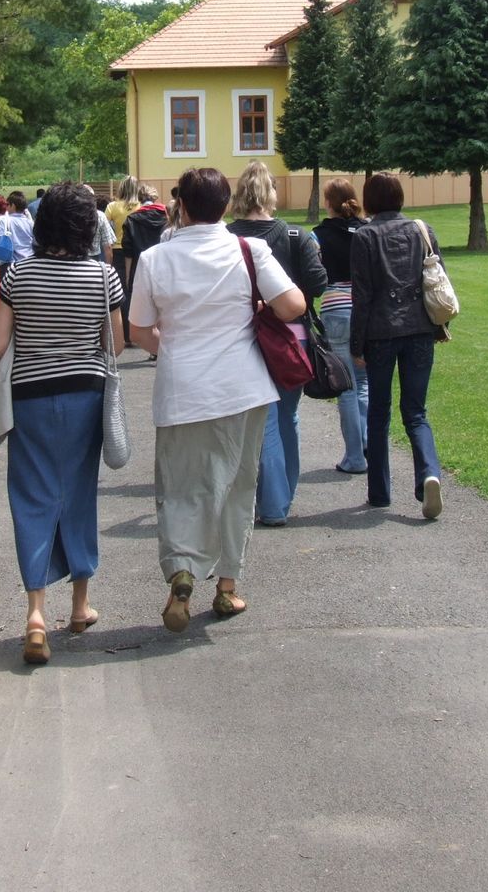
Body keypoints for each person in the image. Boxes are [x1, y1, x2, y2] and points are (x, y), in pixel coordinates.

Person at [128, 167, 305, 633]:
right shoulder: (249, 249)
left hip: (183, 390)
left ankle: (183, 571)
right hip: (243, 387)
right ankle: (227, 586)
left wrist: (175, 349)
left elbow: (139, 331)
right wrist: (260, 307)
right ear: (226, 206)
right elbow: (293, 306)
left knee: (181, 487)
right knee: (238, 486)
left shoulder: (154, 259)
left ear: (181, 206)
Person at [0, 182, 123, 664]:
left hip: (30, 400)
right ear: (87, 227)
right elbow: (115, 344)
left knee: (32, 498)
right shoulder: (103, 276)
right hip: (86, 396)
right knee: (79, 493)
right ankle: (80, 606)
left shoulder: (18, 275)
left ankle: (36, 614)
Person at [226, 161, 328, 526]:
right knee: (286, 416)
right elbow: (317, 284)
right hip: (291, 337)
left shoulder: (226, 238)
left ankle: (270, 499)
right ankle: (281, 495)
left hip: (245, 337)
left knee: (260, 420)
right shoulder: (296, 236)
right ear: (271, 193)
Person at [349, 172, 447, 520]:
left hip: (380, 333)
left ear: (370, 199)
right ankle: (428, 473)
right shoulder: (422, 230)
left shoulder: (365, 236)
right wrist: (440, 325)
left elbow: (362, 296)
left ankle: (379, 492)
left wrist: (356, 345)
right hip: (419, 329)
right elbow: (438, 280)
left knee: (379, 411)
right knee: (416, 412)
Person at [312, 178, 371, 476]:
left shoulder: (318, 235)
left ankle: (355, 457)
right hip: (365, 309)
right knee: (363, 382)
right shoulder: (367, 230)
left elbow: (316, 275)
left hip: (336, 308)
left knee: (346, 386)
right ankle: (367, 444)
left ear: (329, 202)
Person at [119, 186, 170, 352]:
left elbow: (128, 250)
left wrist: (128, 275)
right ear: (155, 198)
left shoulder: (132, 219)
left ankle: (152, 344)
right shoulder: (166, 215)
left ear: (139, 199)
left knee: (145, 307)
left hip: (139, 266)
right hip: (163, 265)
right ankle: (161, 342)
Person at [106, 175, 139, 286]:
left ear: (121, 188)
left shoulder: (112, 206)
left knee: (119, 284)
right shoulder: (141, 206)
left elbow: (105, 227)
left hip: (118, 249)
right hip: (136, 248)